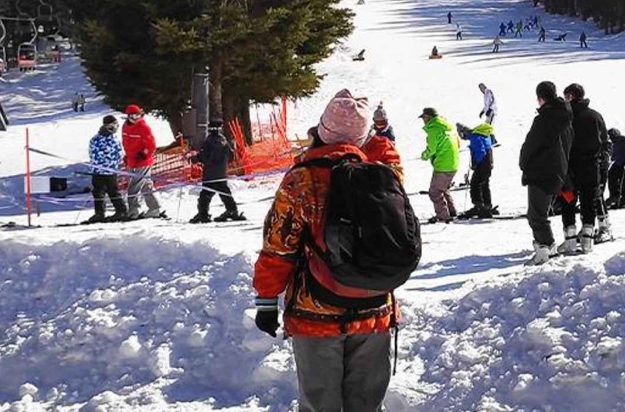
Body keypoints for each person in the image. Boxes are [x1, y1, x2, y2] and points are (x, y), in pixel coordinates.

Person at [252, 89, 405, 412]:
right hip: (375, 308)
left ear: (322, 130)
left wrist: (266, 300)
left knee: (321, 404)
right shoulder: (384, 173)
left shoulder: (303, 179)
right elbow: (388, 157)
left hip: (316, 313)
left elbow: (279, 247)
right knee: (367, 405)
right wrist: (367, 138)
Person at [519, 80, 572, 265]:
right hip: (559, 170)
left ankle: (546, 248)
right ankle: (546, 247)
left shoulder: (544, 119)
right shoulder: (566, 117)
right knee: (540, 212)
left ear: (541, 98)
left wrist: (523, 163)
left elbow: (531, 145)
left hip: (541, 171)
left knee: (536, 215)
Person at [559, 83, 611, 253]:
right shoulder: (595, 116)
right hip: (591, 167)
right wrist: (602, 159)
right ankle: (588, 239)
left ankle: (570, 240)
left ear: (571, 96)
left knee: (568, 201)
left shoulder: (565, 118)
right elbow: (605, 141)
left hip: (569, 169)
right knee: (589, 202)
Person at [190, 119, 243, 223]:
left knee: (205, 195)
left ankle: (203, 214)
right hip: (222, 173)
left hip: (210, 174)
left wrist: (197, 158)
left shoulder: (209, 141)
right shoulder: (224, 140)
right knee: (224, 192)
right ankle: (232, 210)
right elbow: (231, 156)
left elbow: (207, 158)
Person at [122, 105, 165, 219]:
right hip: (131, 160)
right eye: (133, 116)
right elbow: (125, 142)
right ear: (128, 116)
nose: (135, 118)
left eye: (138, 116)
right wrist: (127, 156)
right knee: (145, 185)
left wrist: (144, 154)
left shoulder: (143, 127)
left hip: (142, 161)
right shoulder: (125, 127)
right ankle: (154, 208)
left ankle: (134, 210)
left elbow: (151, 145)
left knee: (134, 186)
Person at [418, 107, 459, 223]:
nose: (423, 120)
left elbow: (432, 148)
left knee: (435, 192)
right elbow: (458, 143)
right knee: (443, 189)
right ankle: (451, 211)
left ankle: (443, 216)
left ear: (429, 117)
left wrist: (424, 155)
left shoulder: (434, 129)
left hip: (443, 165)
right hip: (453, 163)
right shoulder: (448, 127)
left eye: (424, 117)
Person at [86, 114, 129, 223]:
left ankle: (121, 211)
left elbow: (120, 154)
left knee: (113, 191)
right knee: (98, 192)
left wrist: (114, 164)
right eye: (111, 125)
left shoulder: (114, 139)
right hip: (98, 171)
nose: (114, 127)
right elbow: (93, 154)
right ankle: (99, 213)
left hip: (111, 171)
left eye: (116, 125)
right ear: (105, 125)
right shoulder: (96, 139)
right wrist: (100, 164)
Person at [457, 121, 497, 218]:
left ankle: (479, 206)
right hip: (489, 163)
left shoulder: (475, 137)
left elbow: (480, 151)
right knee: (484, 184)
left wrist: (475, 162)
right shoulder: (483, 134)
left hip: (482, 164)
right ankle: (487, 205)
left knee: (475, 184)